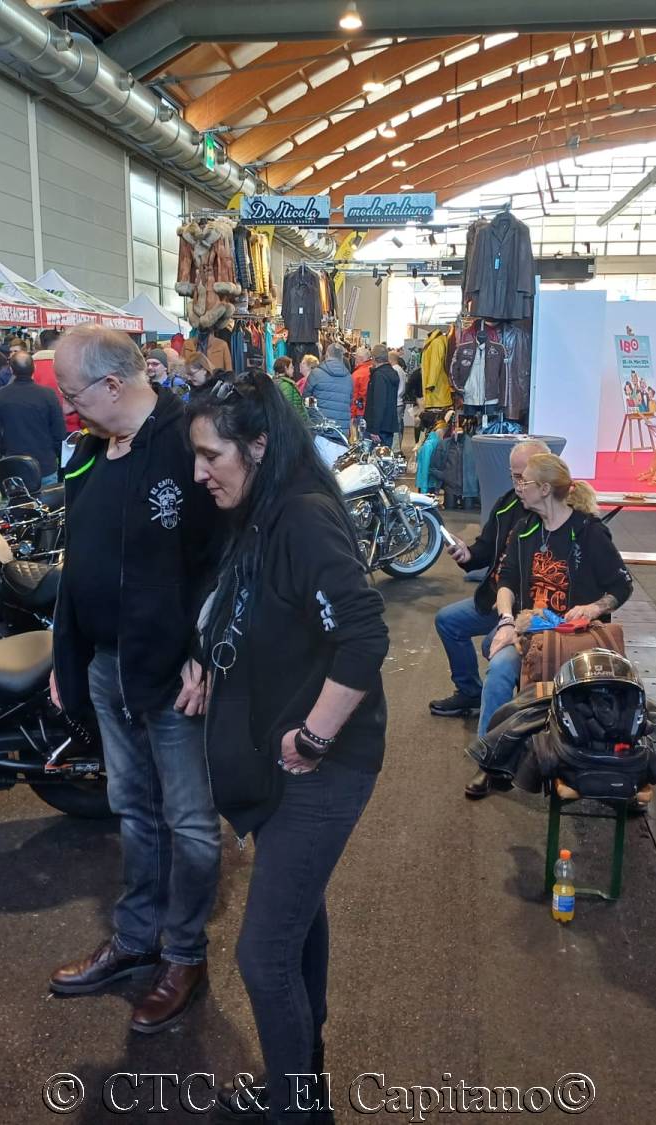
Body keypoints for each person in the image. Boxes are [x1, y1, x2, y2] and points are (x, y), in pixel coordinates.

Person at [188, 372, 388, 1124]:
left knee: (264, 956)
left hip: (322, 768)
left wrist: (313, 735)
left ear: (259, 445)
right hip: (285, 769)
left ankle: (297, 1111)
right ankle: (300, 1088)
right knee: (296, 928)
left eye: (211, 455)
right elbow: (254, 612)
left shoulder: (301, 515)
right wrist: (206, 659)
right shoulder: (265, 508)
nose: (200, 473)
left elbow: (363, 636)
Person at [48, 325, 221, 1036]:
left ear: (113, 384)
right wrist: (68, 657)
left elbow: (226, 557)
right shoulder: (93, 449)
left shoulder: (191, 441)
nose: (70, 408)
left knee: (190, 822)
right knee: (133, 808)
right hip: (105, 663)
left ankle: (184, 953)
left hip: (174, 671)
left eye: (74, 394)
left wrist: (205, 650)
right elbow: (76, 561)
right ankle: (136, 937)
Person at [464, 454, 634, 788]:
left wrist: (593, 608)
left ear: (544, 489)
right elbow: (506, 582)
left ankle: (568, 759)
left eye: (523, 481)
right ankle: (492, 761)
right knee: (500, 669)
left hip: (574, 638)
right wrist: (506, 621)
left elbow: (622, 585)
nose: (518, 488)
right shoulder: (525, 529)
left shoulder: (588, 532)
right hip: (531, 632)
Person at [429, 440, 548, 719]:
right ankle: (470, 693)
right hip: (497, 598)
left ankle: (511, 720)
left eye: (525, 478)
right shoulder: (507, 504)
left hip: (530, 610)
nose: (519, 486)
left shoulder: (558, 515)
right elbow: (486, 549)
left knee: (495, 654)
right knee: (448, 621)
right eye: (514, 477)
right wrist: (466, 554)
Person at [0, 357, 67, 487]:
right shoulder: (48, 395)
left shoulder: (0, 395)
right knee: (47, 498)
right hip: (45, 462)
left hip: (13, 462)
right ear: (34, 368)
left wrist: (4, 450)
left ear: (11, 370)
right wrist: (54, 452)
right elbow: (59, 431)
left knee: (16, 499)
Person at [306, 343, 353, 427]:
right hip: (342, 427)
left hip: (320, 425)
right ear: (341, 357)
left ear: (327, 355)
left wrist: (313, 415)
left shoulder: (316, 374)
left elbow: (307, 399)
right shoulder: (349, 377)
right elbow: (350, 401)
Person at [363, 349, 402, 448]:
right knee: (385, 453)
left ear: (374, 359)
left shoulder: (379, 375)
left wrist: (374, 429)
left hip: (378, 428)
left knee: (372, 455)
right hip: (388, 425)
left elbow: (379, 404)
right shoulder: (392, 373)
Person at [349, 345, 373, 423]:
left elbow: (353, 396)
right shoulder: (374, 370)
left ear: (361, 359)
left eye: (356, 358)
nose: (355, 360)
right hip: (372, 410)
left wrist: (352, 415)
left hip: (360, 411)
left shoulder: (357, 375)